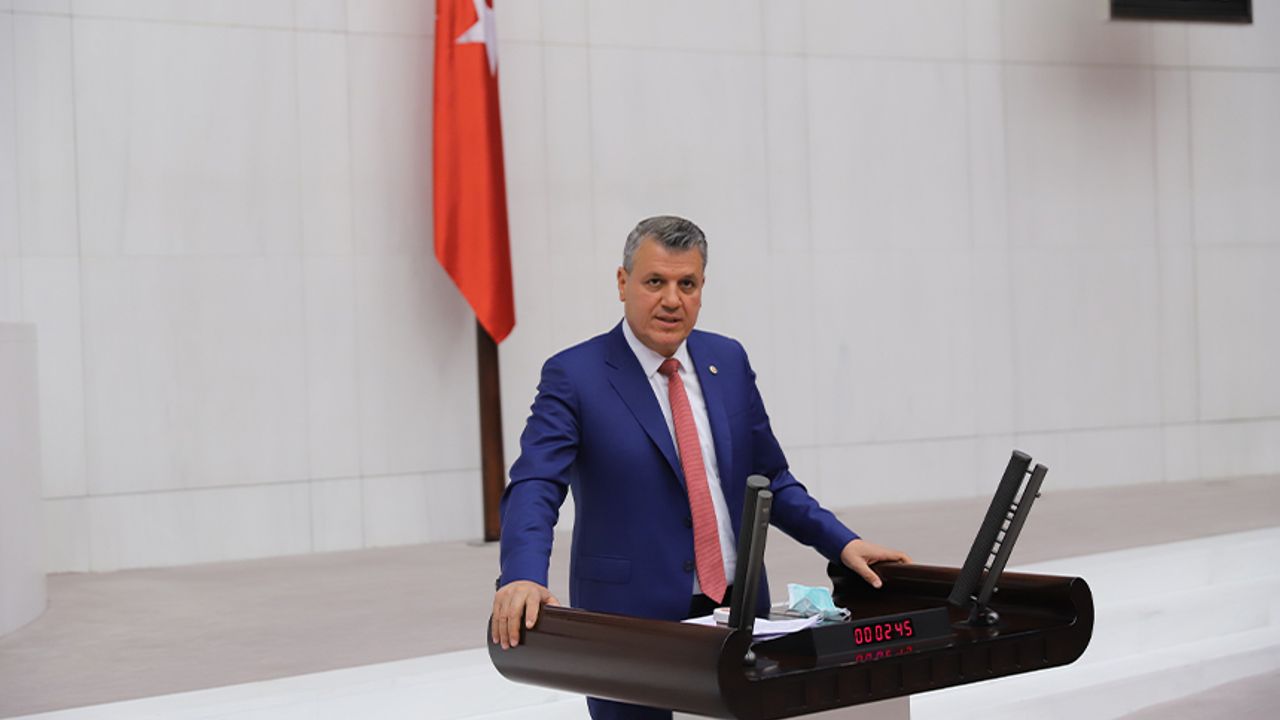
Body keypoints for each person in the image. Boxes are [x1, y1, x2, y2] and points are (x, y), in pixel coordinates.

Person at [491, 215, 912, 719]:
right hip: (631, 626)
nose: (672, 300)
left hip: (738, 613)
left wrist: (841, 542)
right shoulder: (575, 375)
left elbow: (770, 479)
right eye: (655, 282)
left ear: (702, 288)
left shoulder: (727, 360)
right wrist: (522, 574)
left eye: (686, 284)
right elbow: (536, 482)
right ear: (623, 283)